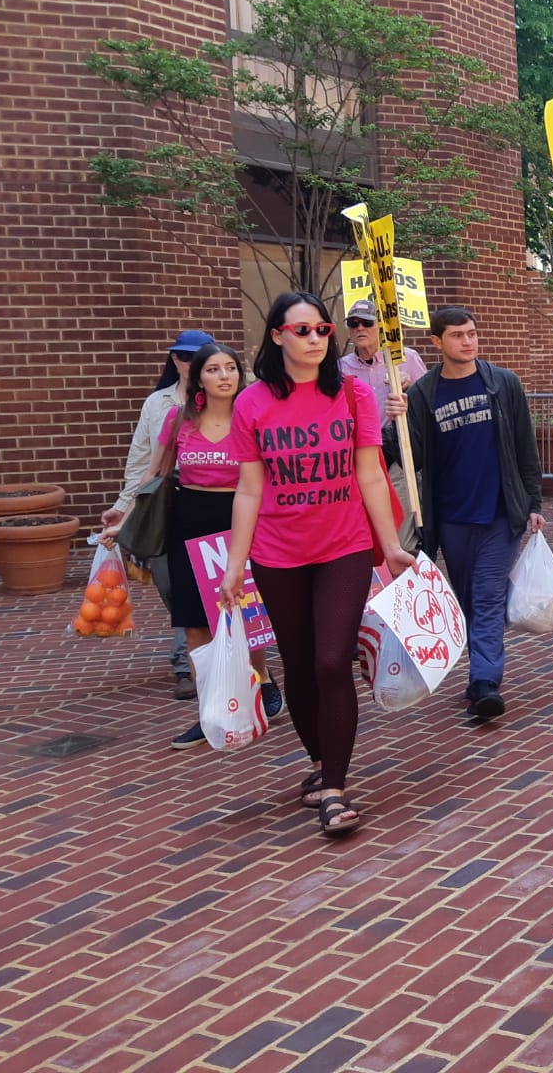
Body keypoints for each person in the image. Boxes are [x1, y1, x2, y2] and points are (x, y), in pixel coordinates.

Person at [220, 291, 414, 837]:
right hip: (277, 555)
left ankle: (334, 787)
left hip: (345, 546)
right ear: (277, 335)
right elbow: (249, 491)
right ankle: (318, 762)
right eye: (301, 330)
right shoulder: (252, 403)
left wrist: (391, 544)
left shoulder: (353, 395)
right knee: (301, 664)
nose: (313, 340)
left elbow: (371, 476)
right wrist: (235, 565)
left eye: (321, 331)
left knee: (332, 661)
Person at [101, 343, 283, 749]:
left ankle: (261, 678)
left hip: (242, 520)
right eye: (214, 369)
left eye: (231, 368)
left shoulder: (254, 416)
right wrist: (122, 515)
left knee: (245, 614)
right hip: (188, 521)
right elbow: (153, 476)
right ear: (198, 377)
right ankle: (211, 712)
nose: (224, 376)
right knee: (196, 620)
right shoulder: (179, 419)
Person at [386, 306, 544, 720]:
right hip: (452, 517)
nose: (468, 342)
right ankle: (482, 663)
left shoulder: (503, 384)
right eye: (457, 335)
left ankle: (485, 681)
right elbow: (408, 455)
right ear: (437, 342)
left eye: (472, 333)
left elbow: (525, 447)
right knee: (468, 598)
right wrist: (394, 423)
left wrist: (534, 502)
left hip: (499, 513)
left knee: (487, 594)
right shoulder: (423, 394)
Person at [103, 330, 214, 700]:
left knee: (210, 584)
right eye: (181, 356)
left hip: (212, 503)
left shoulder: (226, 399)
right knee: (169, 583)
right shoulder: (158, 404)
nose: (187, 363)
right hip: (164, 506)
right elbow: (142, 463)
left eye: (195, 356)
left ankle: (186, 661)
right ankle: (197, 647)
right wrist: (122, 509)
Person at [341, 298, 427, 554]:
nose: (360, 329)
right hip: (361, 454)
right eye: (353, 323)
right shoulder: (341, 368)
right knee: (366, 528)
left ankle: (403, 581)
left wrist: (409, 389)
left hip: (398, 451)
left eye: (366, 323)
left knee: (401, 528)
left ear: (380, 326)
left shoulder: (405, 358)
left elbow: (428, 405)